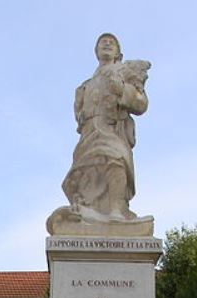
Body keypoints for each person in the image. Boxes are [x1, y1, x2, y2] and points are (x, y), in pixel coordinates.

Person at [60, 33, 150, 221]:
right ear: (96, 52)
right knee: (86, 169)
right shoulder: (85, 86)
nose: (107, 43)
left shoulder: (125, 74)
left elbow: (141, 104)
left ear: (119, 53)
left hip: (112, 130)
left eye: (112, 42)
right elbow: (78, 115)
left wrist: (122, 90)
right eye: (102, 42)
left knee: (115, 159)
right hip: (89, 133)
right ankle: (88, 210)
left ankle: (116, 210)